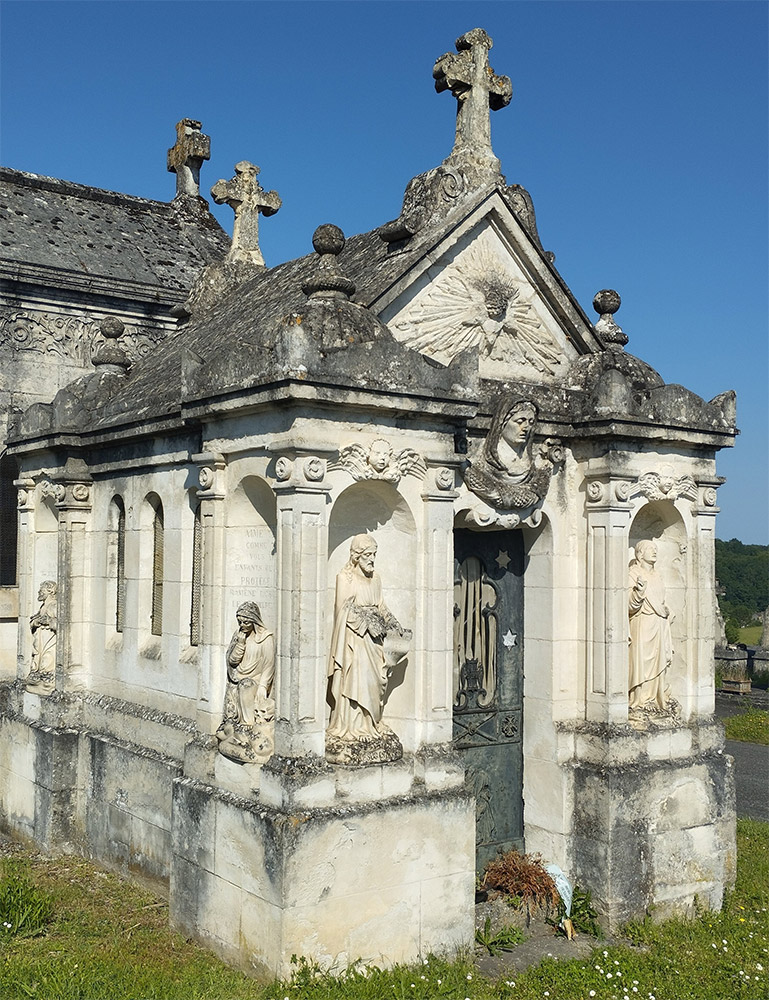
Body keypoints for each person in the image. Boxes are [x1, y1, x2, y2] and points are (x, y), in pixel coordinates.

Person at [327, 534, 401, 741]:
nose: (372, 559)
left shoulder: (375, 578)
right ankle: (355, 727)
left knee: (375, 681)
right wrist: (366, 623)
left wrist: (393, 621)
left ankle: (371, 722)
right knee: (357, 680)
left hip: (375, 642)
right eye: (368, 554)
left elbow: (381, 605)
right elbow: (343, 609)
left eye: (374, 554)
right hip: (355, 641)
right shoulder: (345, 578)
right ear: (356, 556)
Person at [216, 601, 275, 762]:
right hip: (239, 678)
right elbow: (233, 661)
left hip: (255, 681)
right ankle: (239, 730)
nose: (243, 625)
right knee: (240, 686)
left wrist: (263, 686)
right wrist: (240, 644)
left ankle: (248, 727)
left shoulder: (266, 638)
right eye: (240, 621)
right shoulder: (239, 636)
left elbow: (269, 665)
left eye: (246, 621)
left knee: (246, 686)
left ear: (255, 620)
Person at [628, 540, 673, 710]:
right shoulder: (633, 574)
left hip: (659, 624)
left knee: (658, 662)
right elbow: (628, 606)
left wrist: (666, 610)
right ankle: (640, 700)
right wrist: (638, 593)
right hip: (642, 624)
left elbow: (662, 601)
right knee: (641, 662)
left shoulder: (658, 575)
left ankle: (655, 698)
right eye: (650, 549)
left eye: (655, 549)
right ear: (640, 554)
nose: (654, 552)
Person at [26, 580, 57, 695]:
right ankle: (37, 679)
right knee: (36, 662)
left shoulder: (54, 605)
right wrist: (36, 622)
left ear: (50, 591)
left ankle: (46, 682)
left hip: (49, 640)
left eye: (42, 590)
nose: (39, 592)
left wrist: (48, 621)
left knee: (46, 661)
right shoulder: (43, 607)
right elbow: (33, 621)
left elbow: (60, 624)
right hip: (39, 640)